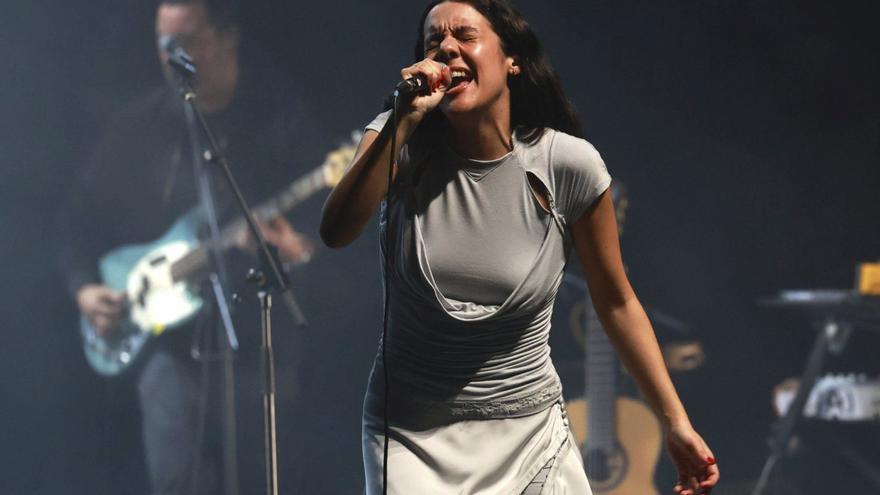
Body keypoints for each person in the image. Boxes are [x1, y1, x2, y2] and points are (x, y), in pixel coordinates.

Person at [320, 0, 720, 493]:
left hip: (529, 431)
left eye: (465, 36)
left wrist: (674, 421)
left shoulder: (566, 165)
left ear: (512, 60)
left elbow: (616, 301)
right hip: (411, 434)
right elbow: (335, 231)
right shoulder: (397, 142)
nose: (447, 48)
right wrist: (401, 122)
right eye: (433, 42)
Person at [57, 0, 324, 493]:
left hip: (257, 353)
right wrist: (84, 289)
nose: (170, 56)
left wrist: (299, 253)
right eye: (163, 45)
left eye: (185, 43)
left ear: (229, 37)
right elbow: (79, 221)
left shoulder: (281, 121)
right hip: (170, 358)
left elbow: (329, 245)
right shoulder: (138, 125)